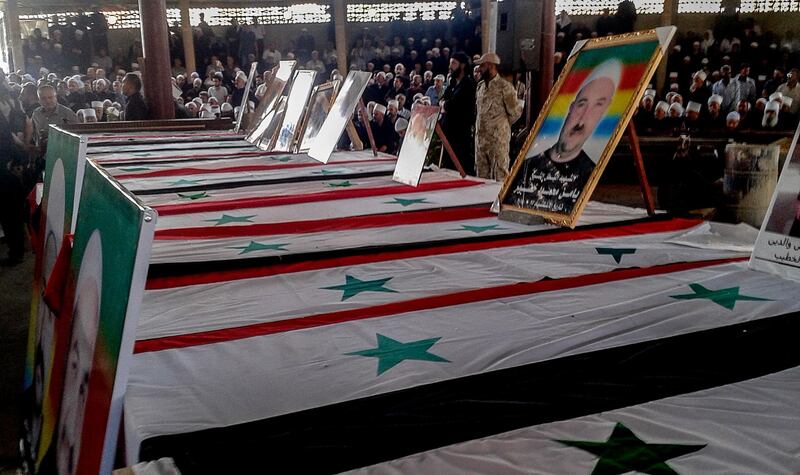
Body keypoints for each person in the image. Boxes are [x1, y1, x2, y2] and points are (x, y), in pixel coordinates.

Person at [505, 60, 619, 214]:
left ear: (602, 116)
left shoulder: (588, 172)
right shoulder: (528, 165)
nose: (582, 118)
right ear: (571, 108)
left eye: (598, 106)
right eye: (581, 104)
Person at [474, 52, 522, 181]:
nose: (479, 69)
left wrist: (500, 126)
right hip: (481, 142)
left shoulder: (505, 87)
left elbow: (516, 112)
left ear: (490, 66)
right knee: (481, 178)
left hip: (497, 142)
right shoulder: (481, 87)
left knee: (499, 176)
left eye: (482, 66)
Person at [440, 52, 476, 175]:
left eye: (454, 64)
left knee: (459, 165)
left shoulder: (468, 85)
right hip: (448, 132)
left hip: (460, 133)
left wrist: (445, 105)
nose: (450, 67)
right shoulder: (454, 84)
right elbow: (443, 100)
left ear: (462, 65)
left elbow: (453, 105)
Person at [32, 84, 78, 152]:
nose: (47, 101)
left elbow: (77, 136)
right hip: (41, 153)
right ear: (39, 100)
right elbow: (34, 133)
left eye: (50, 97)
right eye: (43, 98)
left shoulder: (68, 114)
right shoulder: (36, 113)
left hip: (61, 152)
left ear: (55, 97)